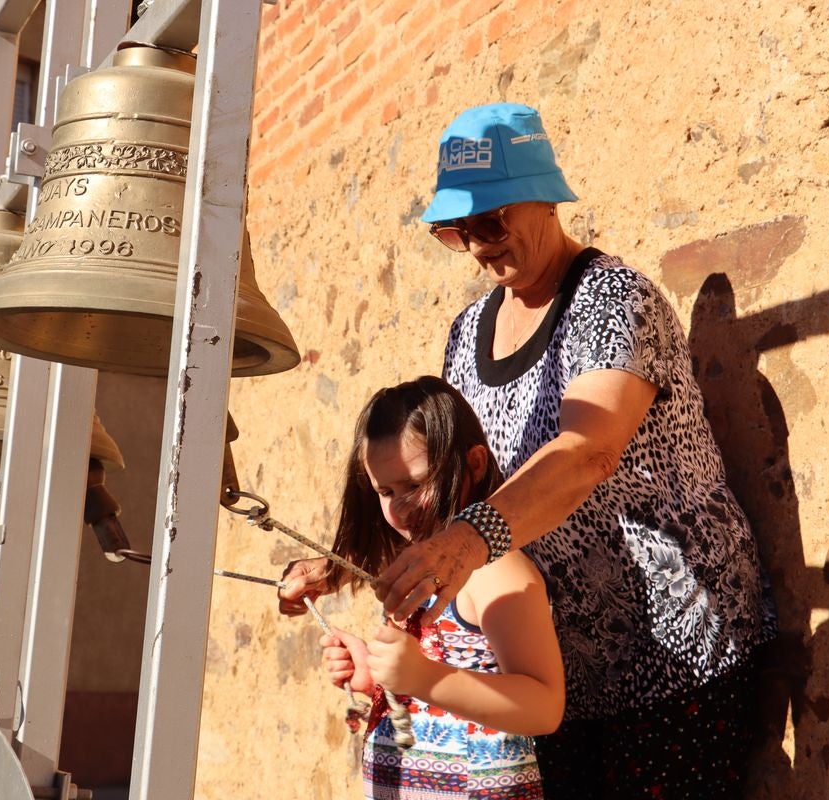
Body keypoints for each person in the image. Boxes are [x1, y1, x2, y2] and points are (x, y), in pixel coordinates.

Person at [281, 103, 775, 797]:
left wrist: (464, 543)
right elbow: (450, 479)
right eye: (456, 231)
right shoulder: (468, 332)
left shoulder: (613, 300)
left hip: (673, 648)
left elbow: (587, 451)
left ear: (544, 198)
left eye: (490, 222)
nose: (478, 246)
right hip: (558, 675)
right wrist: (343, 565)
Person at [317, 376, 563, 799]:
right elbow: (438, 674)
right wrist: (376, 676)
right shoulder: (413, 562)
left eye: (414, 485)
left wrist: (424, 677)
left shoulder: (495, 571)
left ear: (475, 464)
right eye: (385, 491)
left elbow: (544, 706)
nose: (398, 506)